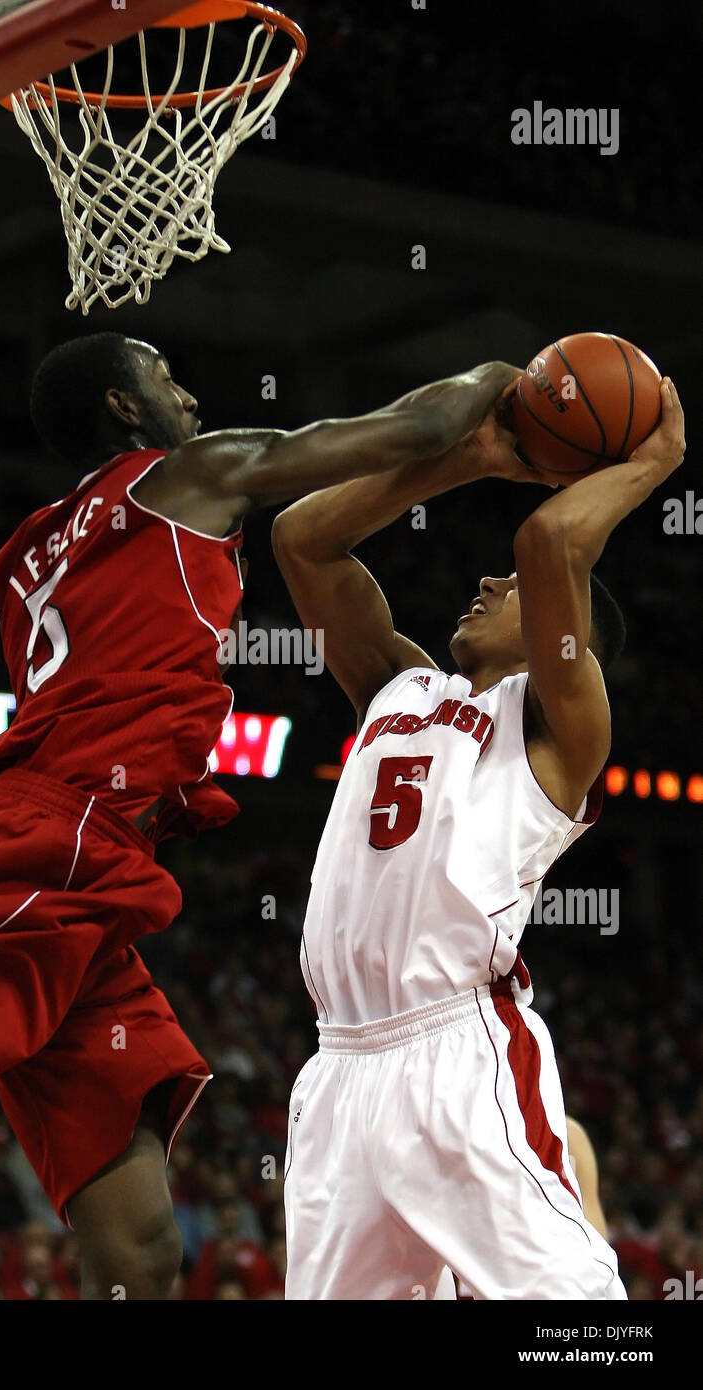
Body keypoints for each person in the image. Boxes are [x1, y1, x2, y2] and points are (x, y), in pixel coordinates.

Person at [0, 332, 524, 1300]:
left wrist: (468, 458)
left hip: (89, 854)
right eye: (165, 378)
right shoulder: (181, 475)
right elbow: (404, 426)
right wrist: (510, 382)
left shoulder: (32, 543)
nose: (191, 397)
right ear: (123, 408)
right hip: (50, 828)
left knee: (142, 1244)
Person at [273, 376, 685, 1299]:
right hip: (337, 1066)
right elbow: (302, 537)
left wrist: (653, 463)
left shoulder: (556, 727)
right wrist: (466, 459)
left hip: (457, 1049)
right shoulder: (397, 685)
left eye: (515, 595)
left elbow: (546, 543)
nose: (491, 582)